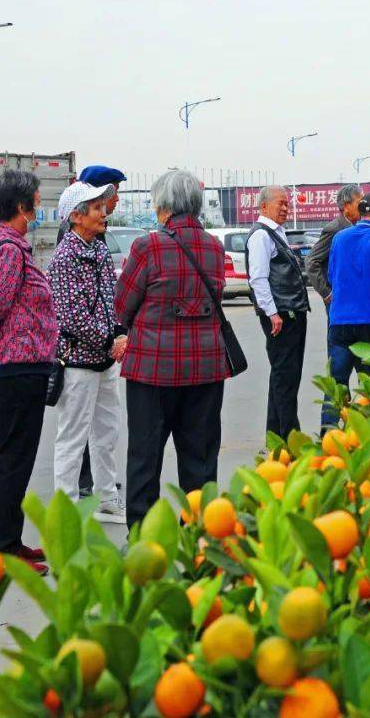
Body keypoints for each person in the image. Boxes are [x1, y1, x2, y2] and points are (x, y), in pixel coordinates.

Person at [115, 170, 230, 531]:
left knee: (145, 457)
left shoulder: (147, 246)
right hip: (206, 369)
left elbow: (122, 305)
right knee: (200, 458)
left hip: (153, 372)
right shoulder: (214, 246)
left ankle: (144, 539)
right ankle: (198, 537)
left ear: (163, 207)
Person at [0, 169, 57, 575]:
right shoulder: (7, 251)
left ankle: (10, 541)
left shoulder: (11, 246)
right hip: (15, 370)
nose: (39, 208)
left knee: (16, 459)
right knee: (11, 459)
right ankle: (1, 550)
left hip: (23, 369)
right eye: (37, 202)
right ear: (21, 207)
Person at [48, 182, 126, 523]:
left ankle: (107, 497)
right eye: (95, 207)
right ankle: (65, 508)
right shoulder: (65, 258)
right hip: (79, 361)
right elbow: (73, 317)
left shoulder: (97, 249)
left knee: (107, 431)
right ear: (77, 217)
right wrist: (109, 341)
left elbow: (111, 300)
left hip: (105, 360)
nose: (103, 212)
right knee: (72, 437)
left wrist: (119, 333)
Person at [322, 192, 370, 427]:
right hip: (369, 323)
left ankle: (328, 437)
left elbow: (332, 275)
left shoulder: (340, 238)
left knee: (336, 385)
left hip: (339, 322)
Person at [246, 186, 310, 439]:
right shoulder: (261, 236)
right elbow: (258, 279)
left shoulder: (276, 232)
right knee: (286, 379)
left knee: (283, 376)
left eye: (287, 203)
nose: (286, 208)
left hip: (290, 311)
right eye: (280, 204)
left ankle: (276, 435)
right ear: (263, 207)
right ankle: (289, 438)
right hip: (282, 315)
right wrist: (272, 313)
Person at [307, 184, 362, 309]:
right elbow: (311, 261)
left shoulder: (358, 226)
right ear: (346, 206)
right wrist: (326, 293)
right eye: (359, 203)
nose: (363, 207)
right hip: (340, 298)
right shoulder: (334, 229)